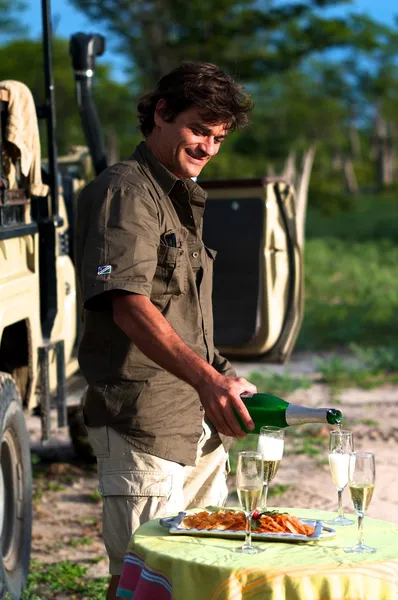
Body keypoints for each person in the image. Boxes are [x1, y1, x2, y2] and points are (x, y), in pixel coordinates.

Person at [75, 61, 256, 600]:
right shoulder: (126, 192)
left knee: (195, 578)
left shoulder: (180, 196)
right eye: (199, 129)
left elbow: (181, 318)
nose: (208, 148)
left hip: (195, 426)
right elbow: (127, 304)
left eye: (219, 137)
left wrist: (223, 377)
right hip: (143, 425)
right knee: (141, 583)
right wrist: (207, 380)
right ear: (161, 113)